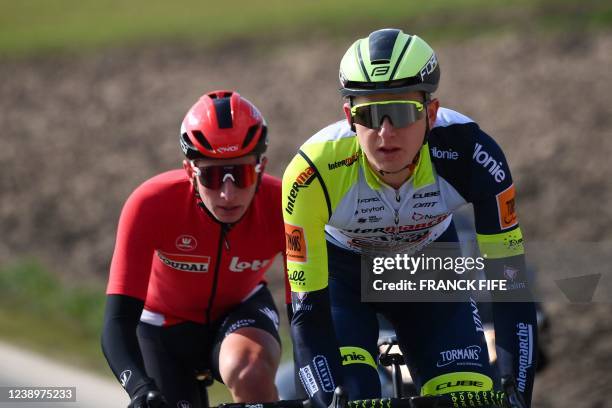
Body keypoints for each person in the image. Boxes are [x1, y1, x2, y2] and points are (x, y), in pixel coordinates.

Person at [282, 29, 537, 407]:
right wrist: (323, 397)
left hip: (429, 271)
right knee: (350, 395)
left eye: (401, 112)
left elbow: (511, 286)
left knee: (467, 395)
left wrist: (517, 389)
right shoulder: (311, 175)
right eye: (369, 114)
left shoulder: (474, 156)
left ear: (431, 113)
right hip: (342, 282)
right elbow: (307, 310)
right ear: (349, 117)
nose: (386, 132)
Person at [102, 90, 285, 408]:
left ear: (261, 167)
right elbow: (117, 321)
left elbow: (313, 309)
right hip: (162, 327)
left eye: (239, 174)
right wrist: (138, 388)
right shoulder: (150, 204)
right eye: (213, 176)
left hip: (241, 311)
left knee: (251, 372)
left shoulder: (284, 204)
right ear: (190, 171)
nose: (228, 194)